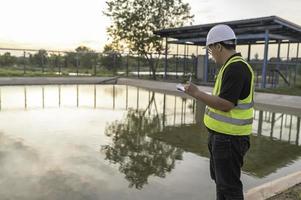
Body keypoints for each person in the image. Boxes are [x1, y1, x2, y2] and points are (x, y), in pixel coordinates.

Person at [184, 24, 254, 200]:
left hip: (230, 139)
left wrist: (196, 93)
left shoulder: (236, 68)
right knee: (222, 184)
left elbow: (225, 104)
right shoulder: (229, 67)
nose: (211, 54)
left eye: (210, 50)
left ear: (218, 46)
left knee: (229, 188)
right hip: (223, 137)